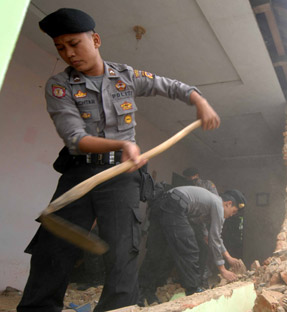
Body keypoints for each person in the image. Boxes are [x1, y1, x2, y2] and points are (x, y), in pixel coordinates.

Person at [17, 8, 220, 312]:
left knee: (124, 250)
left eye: (75, 44)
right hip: (81, 173)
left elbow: (172, 86)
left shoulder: (126, 76)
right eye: (61, 48)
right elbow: (74, 136)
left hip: (123, 175)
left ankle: (117, 309)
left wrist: (200, 101)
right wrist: (121, 143)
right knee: (54, 245)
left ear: (95, 40)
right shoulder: (59, 86)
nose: (69, 53)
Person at [138, 186, 245, 305]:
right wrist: (222, 269)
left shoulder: (209, 202)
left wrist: (228, 257)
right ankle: (193, 290)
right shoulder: (218, 205)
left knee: (158, 252)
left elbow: (213, 238)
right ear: (228, 204)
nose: (231, 215)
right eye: (234, 211)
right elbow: (215, 238)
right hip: (174, 205)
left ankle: (144, 293)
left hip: (161, 204)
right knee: (190, 249)